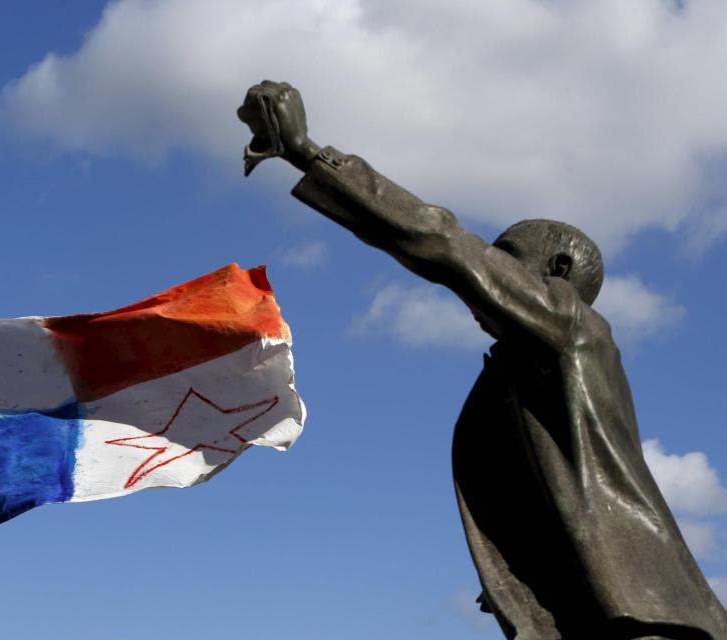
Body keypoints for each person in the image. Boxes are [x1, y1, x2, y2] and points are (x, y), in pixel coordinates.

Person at [237, 80, 727, 640]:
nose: (488, 275)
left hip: (647, 620)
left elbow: (444, 244)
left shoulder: (571, 324)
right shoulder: (531, 370)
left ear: (559, 272)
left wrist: (307, 151)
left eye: (505, 261)